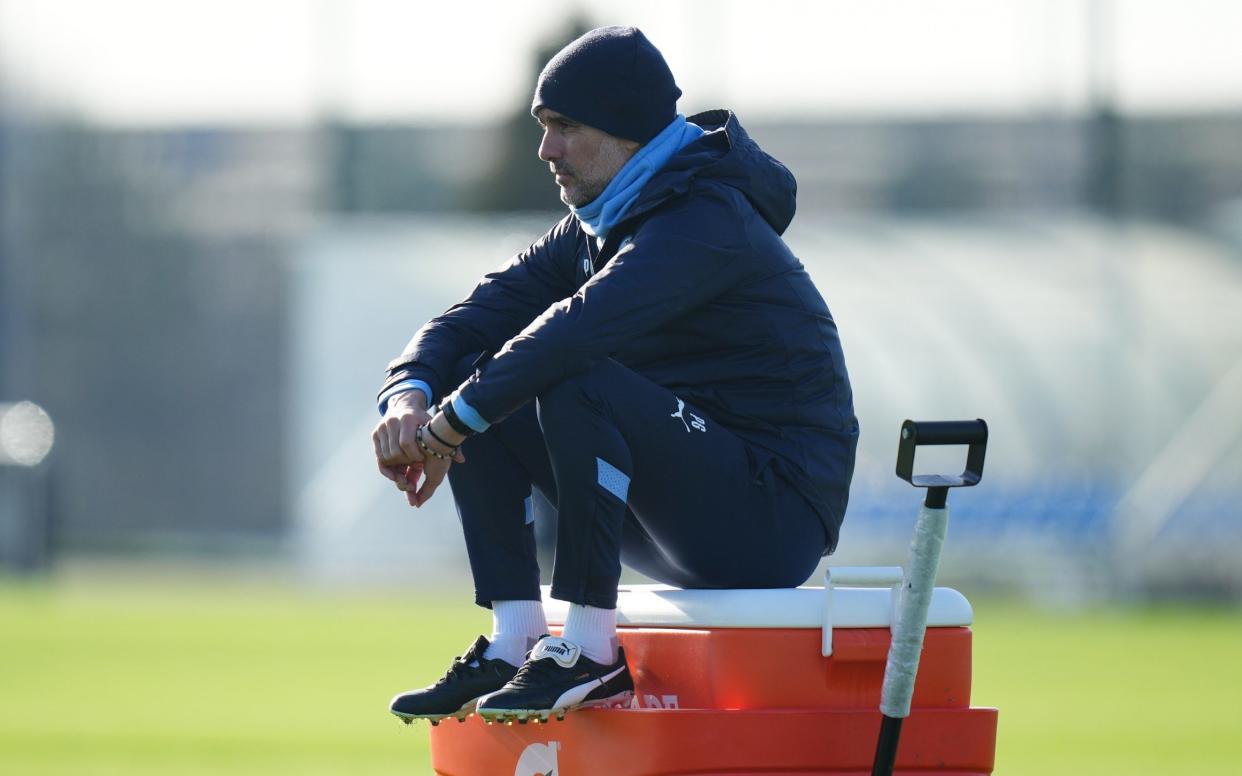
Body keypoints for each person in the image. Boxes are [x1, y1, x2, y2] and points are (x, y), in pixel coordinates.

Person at [373, 26, 858, 725]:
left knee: (564, 374)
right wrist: (410, 399)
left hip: (774, 517)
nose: (546, 149)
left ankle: (593, 653)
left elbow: (578, 331)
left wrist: (448, 426)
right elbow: (473, 318)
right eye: (544, 127)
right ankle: (517, 640)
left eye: (565, 126)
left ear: (627, 128)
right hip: (691, 511)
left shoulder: (704, 217)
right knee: (491, 375)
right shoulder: (599, 223)